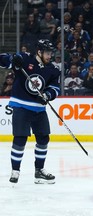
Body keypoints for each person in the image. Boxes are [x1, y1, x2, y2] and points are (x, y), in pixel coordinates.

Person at [0, 39, 61, 184]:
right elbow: (2, 61)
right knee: (20, 139)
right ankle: (15, 171)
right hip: (21, 106)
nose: (49, 56)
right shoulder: (25, 59)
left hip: (39, 109)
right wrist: (11, 59)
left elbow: (55, 88)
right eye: (47, 53)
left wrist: (47, 95)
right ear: (39, 52)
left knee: (43, 138)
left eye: (50, 53)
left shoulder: (52, 69)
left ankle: (39, 171)